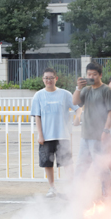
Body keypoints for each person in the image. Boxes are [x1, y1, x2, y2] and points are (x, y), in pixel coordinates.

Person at [30, 68, 79, 198]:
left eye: (51, 78)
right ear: (43, 79)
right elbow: (37, 116)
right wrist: (40, 135)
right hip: (46, 136)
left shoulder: (65, 94)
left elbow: (77, 108)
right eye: (46, 78)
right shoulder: (38, 95)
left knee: (67, 163)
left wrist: (78, 117)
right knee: (48, 163)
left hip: (63, 135)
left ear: (56, 79)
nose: (49, 80)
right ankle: (52, 188)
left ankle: (72, 188)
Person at [72, 62, 111, 196]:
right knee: (81, 166)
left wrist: (106, 130)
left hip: (98, 136)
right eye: (89, 74)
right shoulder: (86, 90)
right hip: (85, 135)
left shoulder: (106, 90)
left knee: (101, 167)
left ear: (100, 75)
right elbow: (75, 102)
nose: (91, 77)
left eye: (94, 74)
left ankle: (110, 194)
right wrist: (78, 88)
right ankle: (75, 193)